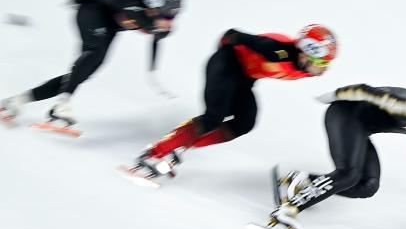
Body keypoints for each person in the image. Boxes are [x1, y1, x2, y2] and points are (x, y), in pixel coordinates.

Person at [270, 72, 406, 229]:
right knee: (348, 174)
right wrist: (331, 96)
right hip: (344, 115)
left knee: (368, 186)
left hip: (361, 128)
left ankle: (301, 181)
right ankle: (288, 209)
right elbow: (364, 91)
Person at [129, 25, 336, 178]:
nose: (324, 71)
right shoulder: (277, 50)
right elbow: (232, 35)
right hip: (226, 65)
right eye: (322, 64)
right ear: (305, 55)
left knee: (244, 123)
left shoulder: (304, 69)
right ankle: (153, 153)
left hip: (244, 79)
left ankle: (179, 148)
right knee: (214, 118)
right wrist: (224, 56)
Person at [0, 0, 182, 133]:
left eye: (171, 18)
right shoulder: (131, 3)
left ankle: (17, 101)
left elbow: (157, 39)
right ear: (155, 6)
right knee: (94, 55)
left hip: (107, 26)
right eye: (167, 16)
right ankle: (61, 107)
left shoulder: (155, 22)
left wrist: (152, 71)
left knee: (83, 73)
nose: (168, 22)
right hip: (91, 10)